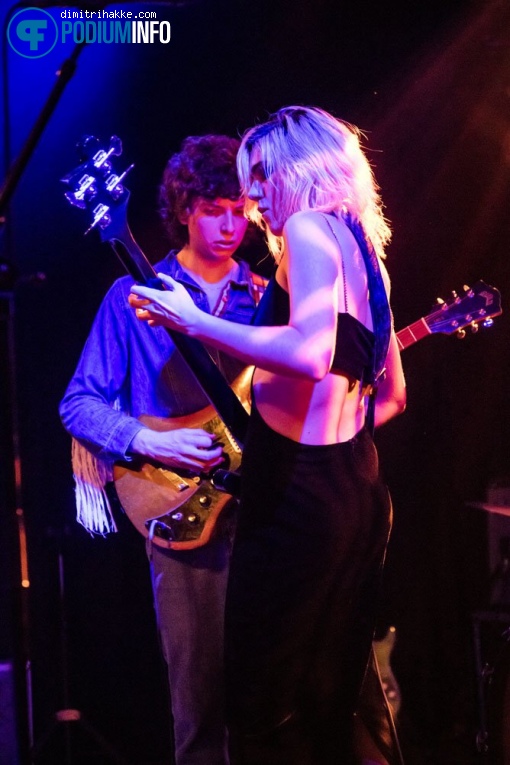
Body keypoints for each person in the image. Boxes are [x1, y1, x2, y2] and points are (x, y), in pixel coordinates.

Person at [129, 105, 407, 765]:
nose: (252, 200)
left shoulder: (310, 230)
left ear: (294, 170)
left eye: (258, 179)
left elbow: (310, 352)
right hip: (356, 489)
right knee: (326, 709)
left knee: (260, 711)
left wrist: (192, 320)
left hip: (296, 496)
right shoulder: (367, 253)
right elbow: (392, 395)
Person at [59, 134, 267, 765]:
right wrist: (149, 439)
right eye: (213, 208)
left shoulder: (268, 295)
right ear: (183, 209)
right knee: (199, 704)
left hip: (264, 509)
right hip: (180, 508)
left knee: (269, 691)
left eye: (240, 207)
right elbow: (79, 402)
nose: (231, 224)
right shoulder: (133, 295)